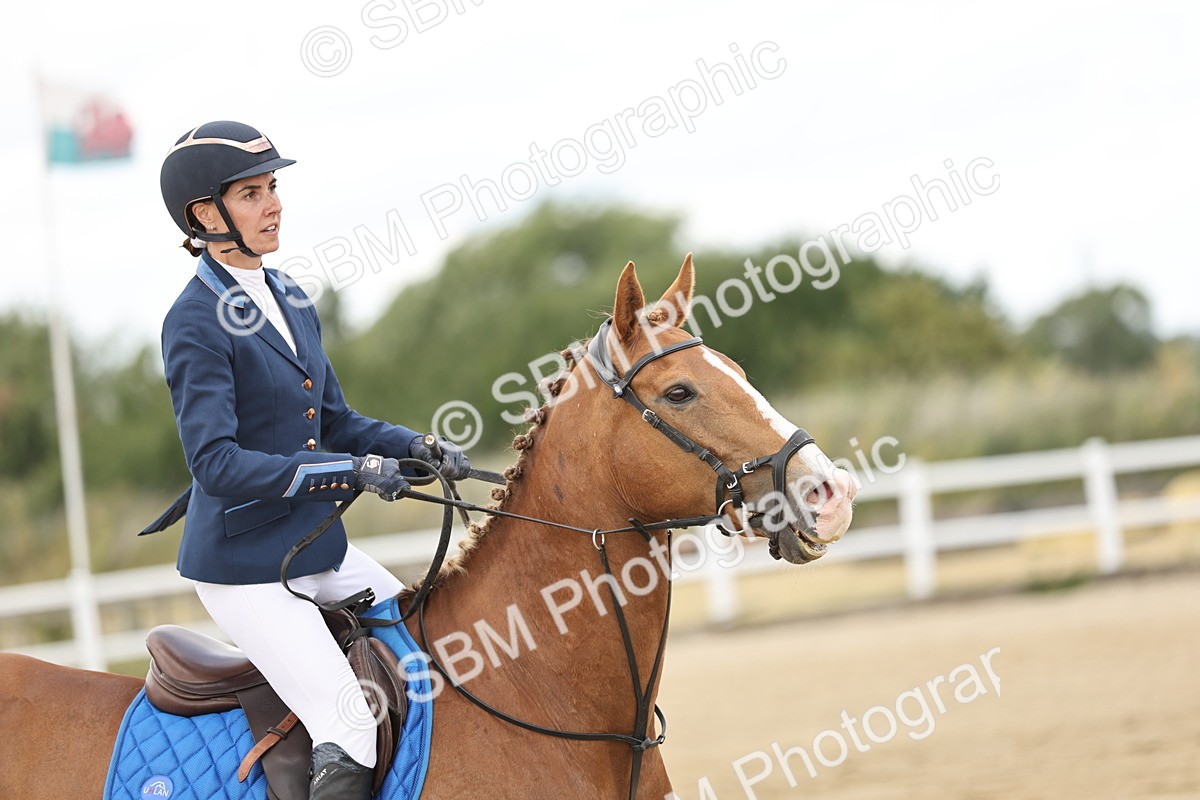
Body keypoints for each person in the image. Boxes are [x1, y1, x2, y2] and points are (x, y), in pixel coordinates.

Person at [154, 120, 468, 800]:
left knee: (423, 656)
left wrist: (414, 447)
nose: (273, 205)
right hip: (244, 568)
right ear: (206, 215)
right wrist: (351, 472)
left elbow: (336, 422)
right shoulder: (193, 319)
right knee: (349, 717)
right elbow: (216, 462)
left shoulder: (291, 296)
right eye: (250, 194)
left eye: (272, 188)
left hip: (315, 544)